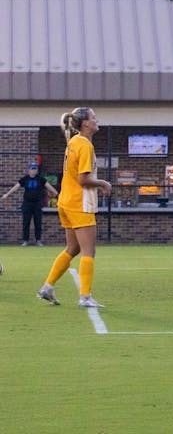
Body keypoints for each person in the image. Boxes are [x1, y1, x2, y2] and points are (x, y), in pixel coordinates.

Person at [36, 107, 112, 308]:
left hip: (66, 202)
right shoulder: (85, 145)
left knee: (73, 248)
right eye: (93, 117)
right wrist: (103, 183)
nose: (96, 120)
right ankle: (85, 297)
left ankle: (47, 287)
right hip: (80, 203)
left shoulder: (74, 142)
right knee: (89, 251)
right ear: (85, 123)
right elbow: (83, 179)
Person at [2, 162, 59, 246]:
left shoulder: (41, 179)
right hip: (27, 204)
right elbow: (16, 187)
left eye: (35, 168)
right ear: (29, 170)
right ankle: (25, 240)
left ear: (37, 170)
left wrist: (57, 194)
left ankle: (38, 240)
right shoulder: (25, 179)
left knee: (38, 222)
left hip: (37, 204)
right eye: (32, 169)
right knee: (26, 222)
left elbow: (49, 186)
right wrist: (7, 194)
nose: (33, 170)